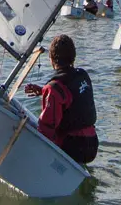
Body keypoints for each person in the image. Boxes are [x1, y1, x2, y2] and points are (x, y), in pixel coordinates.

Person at [22, 35, 98, 164]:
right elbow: (74, 99)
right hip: (92, 145)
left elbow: (46, 129)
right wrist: (43, 91)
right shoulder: (83, 75)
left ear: (51, 59)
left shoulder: (54, 88)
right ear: (73, 57)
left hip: (73, 147)